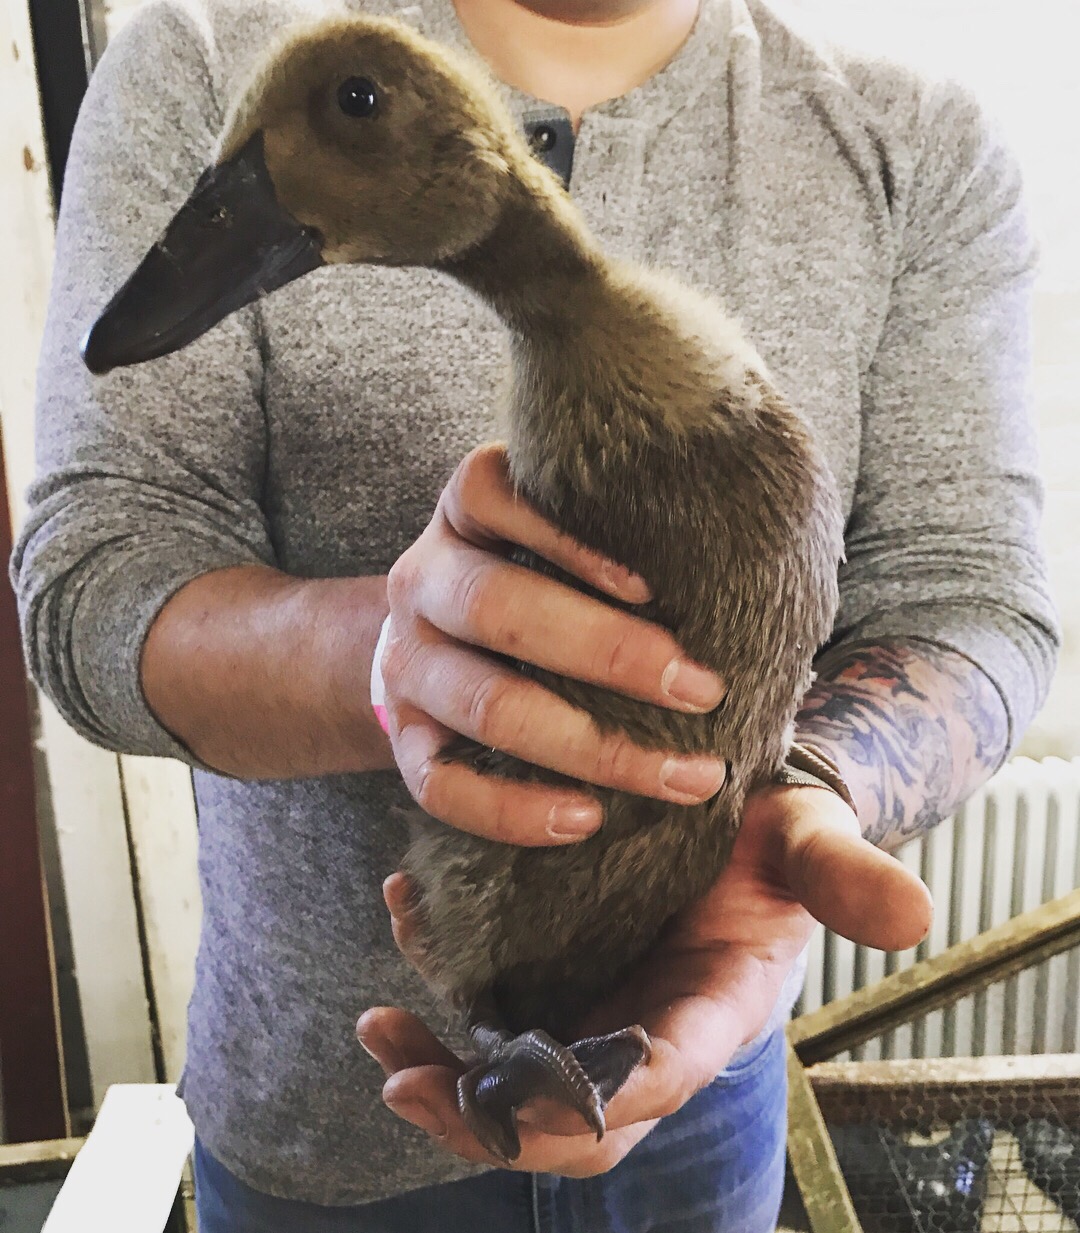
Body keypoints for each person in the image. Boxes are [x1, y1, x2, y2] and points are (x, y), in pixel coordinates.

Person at [12, 0, 1059, 1227]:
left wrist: (812, 786)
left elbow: (968, 595)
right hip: (321, 1124)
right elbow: (92, 580)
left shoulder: (913, 140)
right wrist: (395, 657)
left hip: (697, 1073)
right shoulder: (205, 55)